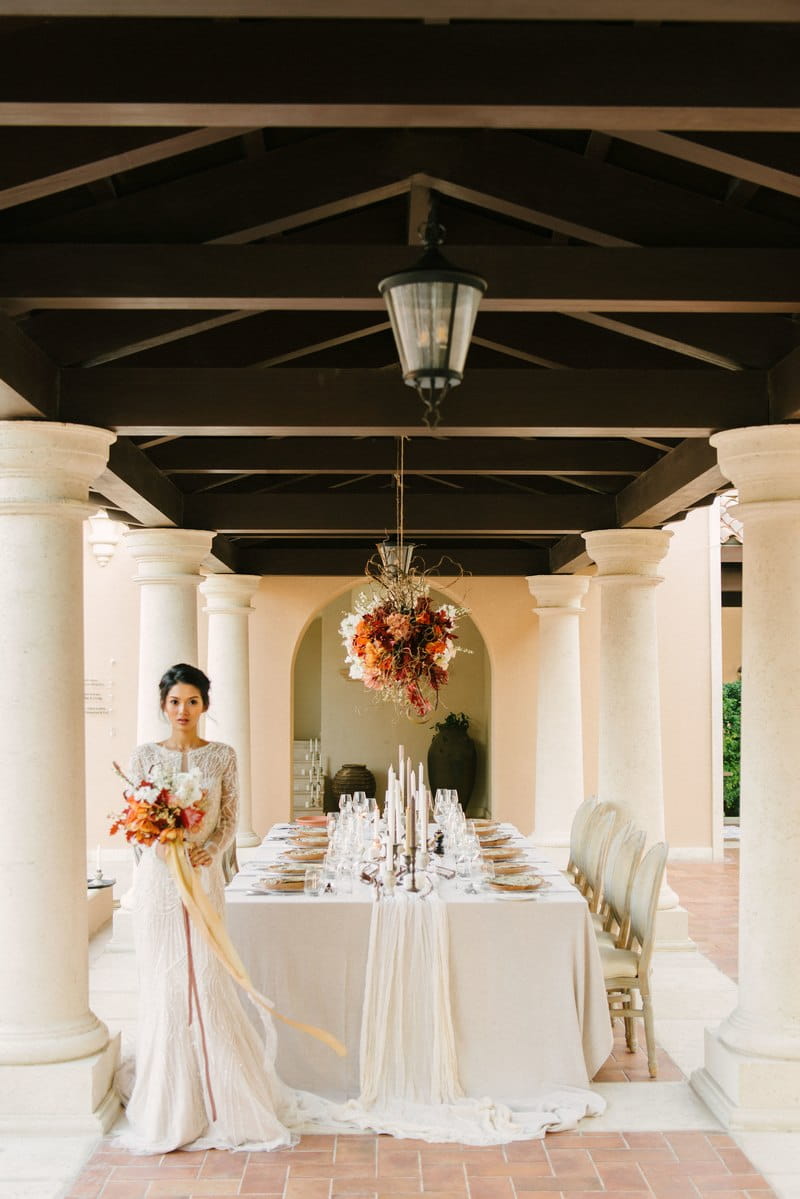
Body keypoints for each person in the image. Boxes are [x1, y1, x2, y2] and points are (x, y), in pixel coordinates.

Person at [116, 663, 296, 1154]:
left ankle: (223, 1098)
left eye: (192, 701)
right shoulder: (144, 757)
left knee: (209, 979)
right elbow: (133, 820)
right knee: (167, 981)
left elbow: (231, 816)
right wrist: (158, 844)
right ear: (162, 704)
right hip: (158, 882)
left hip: (203, 876)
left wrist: (210, 849)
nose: (182, 710)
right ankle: (172, 1102)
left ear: (205, 706)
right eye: (175, 701)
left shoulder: (221, 757)